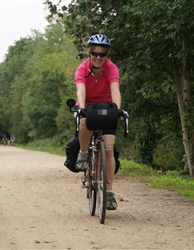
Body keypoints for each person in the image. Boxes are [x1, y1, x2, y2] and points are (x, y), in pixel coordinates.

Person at [74, 33, 121, 210]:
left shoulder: (112, 68)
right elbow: (81, 91)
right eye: (95, 54)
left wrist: (117, 109)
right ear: (89, 53)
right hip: (89, 105)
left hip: (107, 106)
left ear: (106, 56)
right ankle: (83, 153)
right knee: (84, 121)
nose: (99, 58)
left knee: (108, 150)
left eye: (103, 54)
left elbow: (115, 90)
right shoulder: (82, 69)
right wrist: (82, 108)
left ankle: (109, 192)